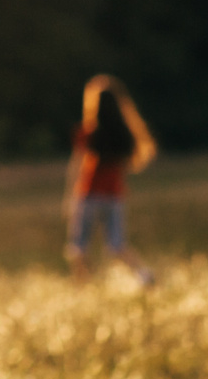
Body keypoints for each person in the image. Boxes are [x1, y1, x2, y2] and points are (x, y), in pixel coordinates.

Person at [66, 75, 158, 286]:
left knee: (78, 247)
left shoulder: (87, 133)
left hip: (89, 194)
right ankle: (144, 276)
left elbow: (76, 167)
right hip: (114, 196)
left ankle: (83, 287)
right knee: (117, 245)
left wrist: (70, 196)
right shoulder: (125, 135)